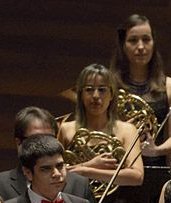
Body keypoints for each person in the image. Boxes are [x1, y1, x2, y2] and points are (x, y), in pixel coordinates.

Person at [109, 14, 171, 166]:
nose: (141, 47)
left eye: (146, 39)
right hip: (118, 167)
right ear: (123, 45)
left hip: (156, 165)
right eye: (133, 40)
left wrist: (155, 150)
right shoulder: (109, 86)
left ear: (154, 43)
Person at [57, 64, 144, 193]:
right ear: (81, 94)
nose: (96, 96)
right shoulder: (65, 129)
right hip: (73, 201)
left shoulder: (127, 130)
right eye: (89, 89)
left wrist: (88, 171)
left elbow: (137, 177)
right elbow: (55, 173)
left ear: (112, 95)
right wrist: (90, 164)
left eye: (102, 90)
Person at [0, 107, 94, 203]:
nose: (43, 145)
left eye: (49, 138)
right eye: (35, 139)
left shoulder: (79, 185)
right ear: (18, 143)